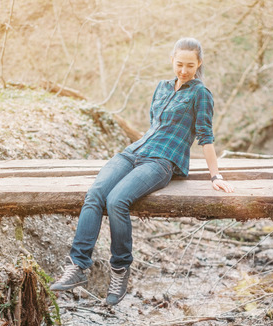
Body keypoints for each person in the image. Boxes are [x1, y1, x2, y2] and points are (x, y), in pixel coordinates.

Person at [50, 37, 234, 306]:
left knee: (117, 201)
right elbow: (153, 125)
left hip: (162, 162)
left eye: (190, 65)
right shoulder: (161, 87)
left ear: (199, 64)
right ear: (172, 60)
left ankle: (120, 269)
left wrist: (215, 175)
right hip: (134, 152)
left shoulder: (200, 94)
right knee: (96, 195)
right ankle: (78, 266)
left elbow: (205, 136)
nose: (183, 70)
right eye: (179, 64)